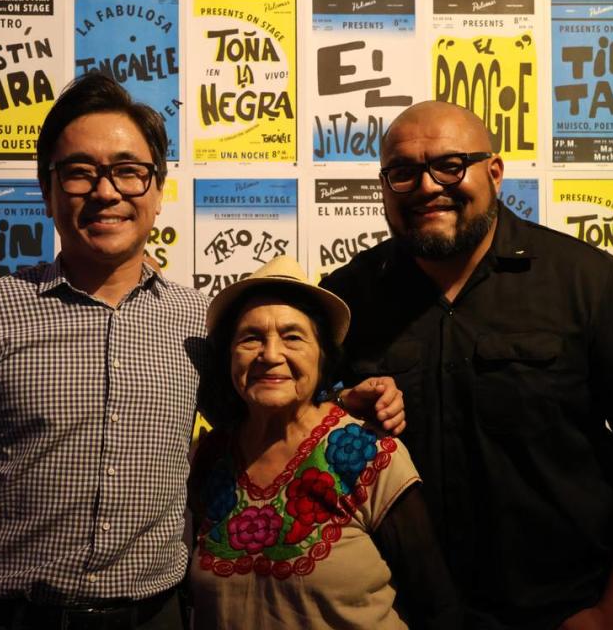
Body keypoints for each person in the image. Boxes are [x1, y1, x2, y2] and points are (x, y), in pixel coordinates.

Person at [0, 74, 403, 630]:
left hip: (154, 615)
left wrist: (336, 406)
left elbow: (258, 416)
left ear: (157, 192)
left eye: (128, 172)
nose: (105, 192)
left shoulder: (198, 323)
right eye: (80, 172)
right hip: (5, 614)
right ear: (47, 190)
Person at [319, 101, 613, 630]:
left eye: (451, 165)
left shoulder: (586, 280)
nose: (428, 186)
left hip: (555, 613)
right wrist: (338, 406)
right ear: (385, 186)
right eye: (403, 172)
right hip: (390, 613)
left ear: (493, 172)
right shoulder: (345, 296)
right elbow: (290, 426)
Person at [188, 256, 460, 629]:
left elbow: (437, 607)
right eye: (250, 338)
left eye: (292, 337)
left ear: (323, 356)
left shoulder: (369, 454)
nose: (270, 355)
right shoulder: (210, 459)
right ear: (228, 357)